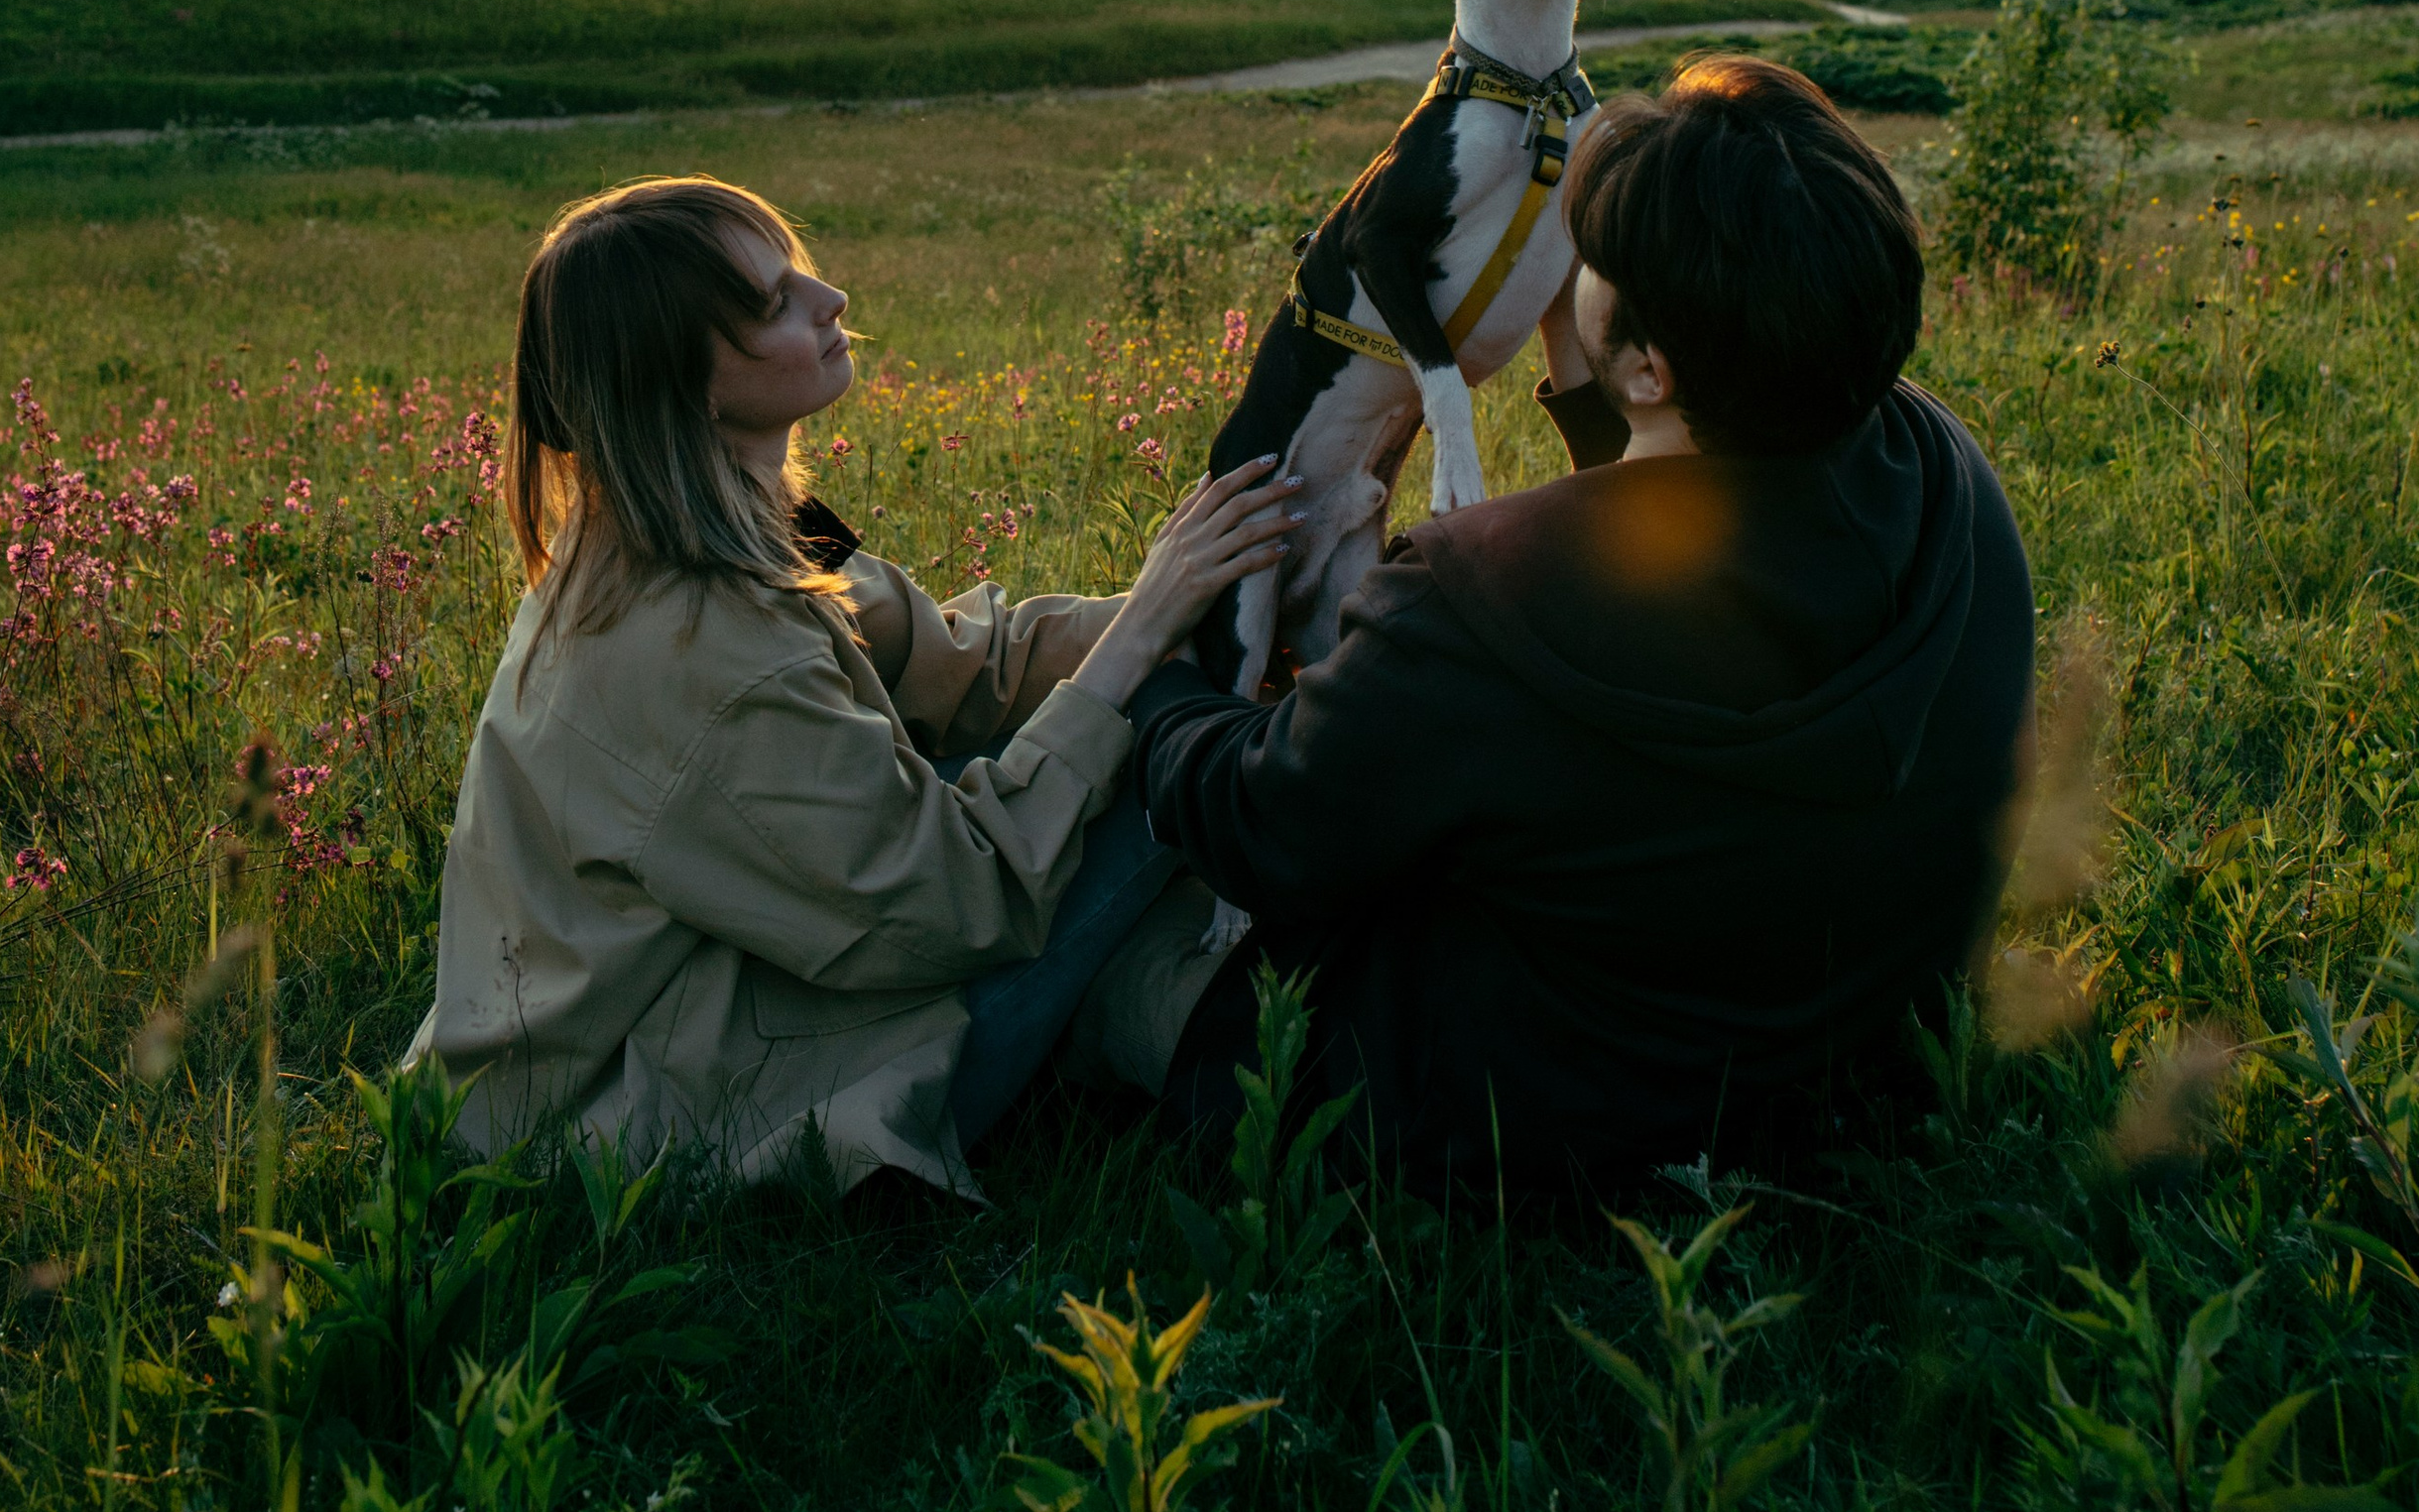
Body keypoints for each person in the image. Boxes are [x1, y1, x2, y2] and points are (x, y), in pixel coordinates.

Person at [1135, 58, 2037, 1193]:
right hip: (1861, 1068)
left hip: (1533, 1125)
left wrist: (1165, 672)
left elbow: (1261, 827)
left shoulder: (1474, 602)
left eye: (1595, 261)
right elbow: (1705, 549)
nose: (1571, 269)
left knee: (1119, 949)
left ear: (1653, 368)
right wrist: (1591, 383)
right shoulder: (1945, 475)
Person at [410, 175, 1291, 1199]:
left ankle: (1204, 1018)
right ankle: (1260, 1035)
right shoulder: (704, 648)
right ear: (688, 381)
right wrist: (1145, 651)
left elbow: (967, 663)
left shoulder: (717, 524)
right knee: (1149, 748)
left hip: (693, 1006)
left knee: (1126, 717)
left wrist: (1198, 611)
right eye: (773, 302)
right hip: (650, 1115)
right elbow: (960, 904)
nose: (829, 301)